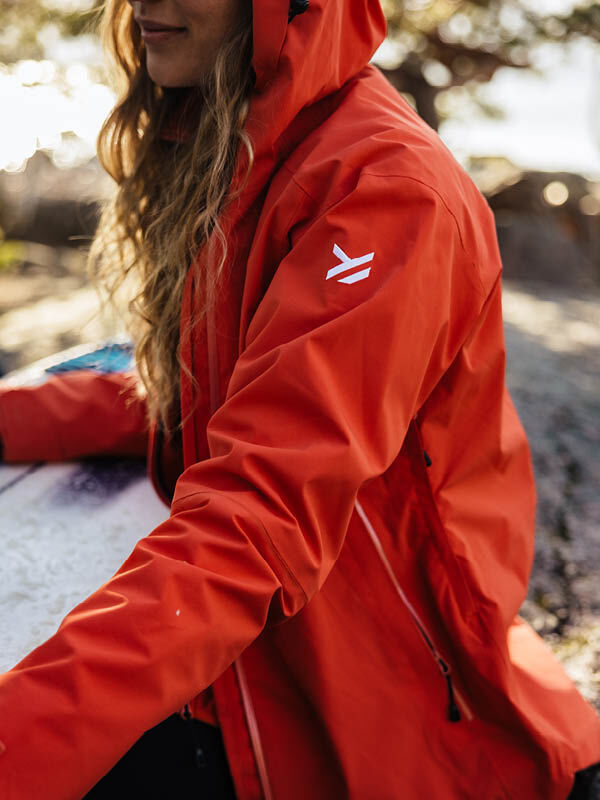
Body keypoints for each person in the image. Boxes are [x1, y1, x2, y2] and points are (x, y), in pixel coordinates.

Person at [0, 0, 599, 797]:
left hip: (381, 722)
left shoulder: (385, 192)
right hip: (262, 659)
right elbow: (197, 402)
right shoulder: (243, 147)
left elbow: (254, 518)